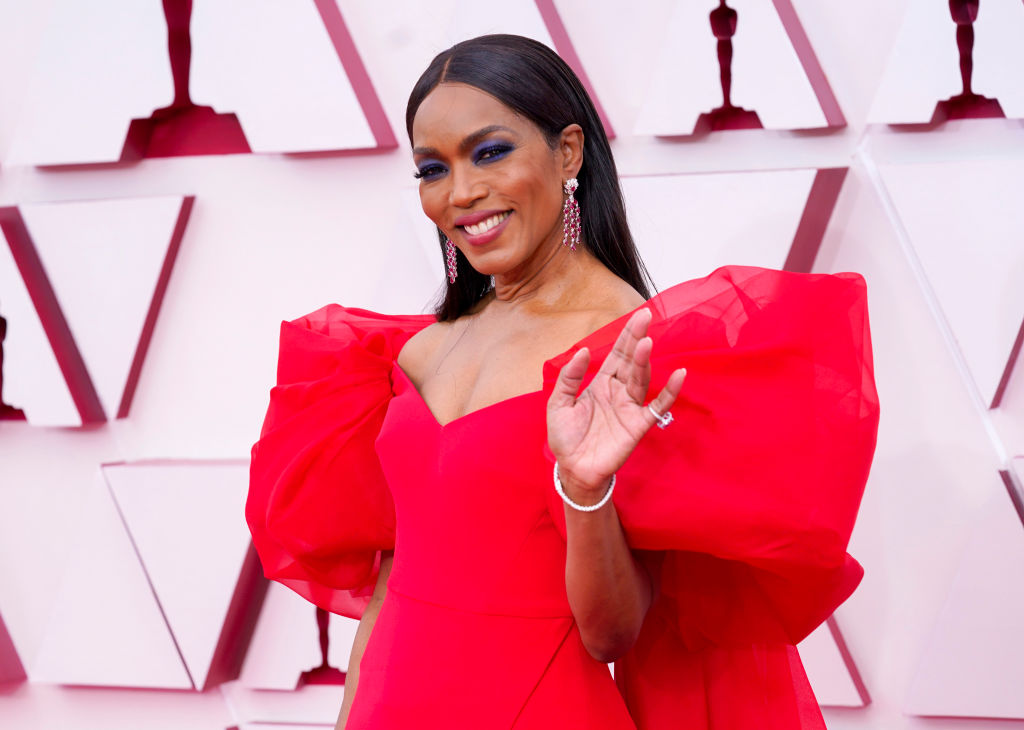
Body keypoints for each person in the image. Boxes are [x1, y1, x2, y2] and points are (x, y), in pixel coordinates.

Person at [247, 34, 879, 730]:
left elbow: (614, 632)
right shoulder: (420, 353)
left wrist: (584, 488)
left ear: (569, 152)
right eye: (433, 168)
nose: (461, 192)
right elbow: (388, 591)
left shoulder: (629, 352)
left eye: (490, 152)